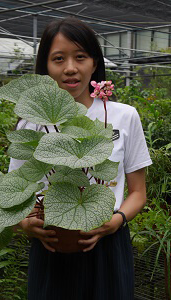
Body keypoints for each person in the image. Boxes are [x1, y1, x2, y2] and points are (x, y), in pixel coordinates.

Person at [9, 17, 152, 300]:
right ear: (45, 66)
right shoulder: (31, 123)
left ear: (95, 61)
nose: (70, 68)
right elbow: (15, 195)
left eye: (81, 57)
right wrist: (25, 223)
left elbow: (138, 192)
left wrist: (116, 220)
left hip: (108, 242)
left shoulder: (123, 116)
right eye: (58, 58)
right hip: (51, 241)